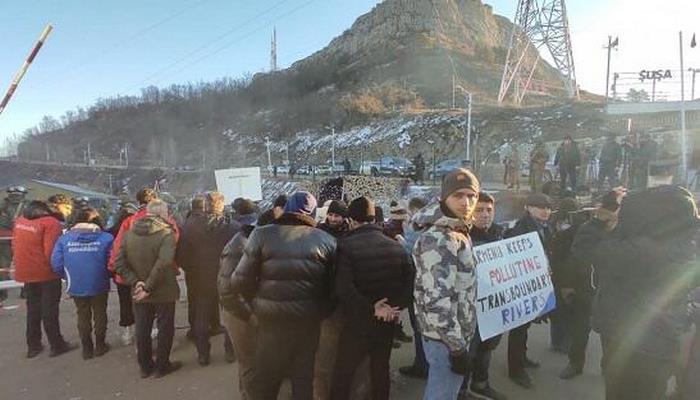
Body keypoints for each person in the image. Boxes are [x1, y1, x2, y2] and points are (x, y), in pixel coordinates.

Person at [590, 186, 699, 400]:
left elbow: (588, 248)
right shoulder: (685, 244)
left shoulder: (642, 250)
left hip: (632, 342)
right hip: (662, 343)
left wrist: (598, 220)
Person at [231, 191, 336, 399]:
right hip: (308, 324)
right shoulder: (327, 240)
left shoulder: (262, 235)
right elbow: (333, 289)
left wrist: (258, 303)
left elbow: (238, 281)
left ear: (287, 208)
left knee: (267, 381)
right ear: (313, 212)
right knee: (303, 379)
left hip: (271, 323)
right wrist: (319, 311)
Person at [329, 196, 414, 400]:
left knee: (343, 372)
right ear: (374, 219)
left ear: (351, 220)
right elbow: (411, 284)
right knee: (380, 370)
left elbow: (344, 288)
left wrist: (372, 308)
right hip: (385, 323)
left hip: (356, 322)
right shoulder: (396, 247)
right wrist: (393, 308)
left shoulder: (345, 246)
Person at [412, 168, 480, 400]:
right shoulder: (441, 238)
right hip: (446, 340)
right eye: (458, 195)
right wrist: (458, 348)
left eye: (471, 196)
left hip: (451, 334)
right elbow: (437, 302)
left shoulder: (456, 230)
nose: (466, 202)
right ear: (444, 198)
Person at [559, 190, 623, 380]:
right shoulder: (589, 228)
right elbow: (577, 255)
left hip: (612, 292)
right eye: (611, 210)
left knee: (611, 333)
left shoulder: (626, 230)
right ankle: (575, 363)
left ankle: (608, 366)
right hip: (585, 290)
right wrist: (568, 286)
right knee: (579, 331)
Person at [114, 199, 182, 379]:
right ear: (161, 214)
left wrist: (137, 283)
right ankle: (162, 365)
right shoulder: (166, 233)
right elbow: (165, 262)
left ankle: (145, 366)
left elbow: (118, 263)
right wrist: (148, 285)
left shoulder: (129, 234)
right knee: (165, 328)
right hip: (163, 289)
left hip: (139, 290)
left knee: (142, 328)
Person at [177, 192, 239, 366]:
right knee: (228, 315)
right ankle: (230, 351)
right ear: (222, 206)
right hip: (228, 277)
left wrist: (192, 270)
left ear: (205, 206)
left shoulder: (190, 227)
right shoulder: (234, 227)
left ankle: (203, 354)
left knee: (201, 317)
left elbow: (181, 255)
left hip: (201, 278)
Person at [458, 192, 508, 400]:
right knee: (468, 352)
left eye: (489, 210)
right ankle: (461, 391)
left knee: (487, 348)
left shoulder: (502, 234)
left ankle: (480, 384)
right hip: (469, 309)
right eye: (480, 210)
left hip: (494, 306)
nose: (485, 215)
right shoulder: (461, 238)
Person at [12, 199, 76, 358]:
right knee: (49, 310)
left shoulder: (21, 220)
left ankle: (33, 345)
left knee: (33, 309)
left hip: (26, 271)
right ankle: (57, 344)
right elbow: (51, 252)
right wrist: (61, 271)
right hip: (45, 273)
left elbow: (14, 244)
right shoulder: (51, 223)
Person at [219, 205, 269, 400]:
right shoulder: (240, 245)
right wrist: (250, 316)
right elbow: (227, 290)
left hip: (242, 309)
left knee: (249, 362)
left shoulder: (246, 241)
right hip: (239, 313)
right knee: (249, 363)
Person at [50, 208, 113, 360]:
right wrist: (108, 274)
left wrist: (67, 276)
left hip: (75, 282)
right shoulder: (106, 238)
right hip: (99, 281)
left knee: (82, 314)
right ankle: (100, 345)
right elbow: (113, 262)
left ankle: (87, 349)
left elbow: (56, 263)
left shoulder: (64, 239)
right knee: (100, 312)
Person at [506, 193, 553, 389]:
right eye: (540, 207)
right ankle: (515, 369)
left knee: (525, 326)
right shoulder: (520, 228)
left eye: (549, 207)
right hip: (521, 285)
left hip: (536, 283)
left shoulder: (545, 226)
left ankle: (522, 357)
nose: (546, 211)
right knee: (518, 327)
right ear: (528, 208)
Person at [108, 187, 159, 345]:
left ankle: (128, 334)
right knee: (154, 303)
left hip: (130, 270)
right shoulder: (162, 218)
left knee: (129, 302)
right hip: (154, 270)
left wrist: (115, 268)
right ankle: (150, 333)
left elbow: (118, 247)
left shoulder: (128, 221)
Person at [398, 197, 430, 380]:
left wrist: (401, 241)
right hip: (429, 289)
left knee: (419, 329)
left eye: (411, 212)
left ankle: (422, 366)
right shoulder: (435, 229)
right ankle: (424, 364)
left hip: (417, 288)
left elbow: (407, 258)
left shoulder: (415, 232)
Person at [548, 197, 582, 355]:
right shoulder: (577, 229)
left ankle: (556, 341)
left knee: (558, 311)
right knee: (570, 311)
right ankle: (566, 342)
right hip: (570, 274)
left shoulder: (553, 225)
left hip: (555, 273)